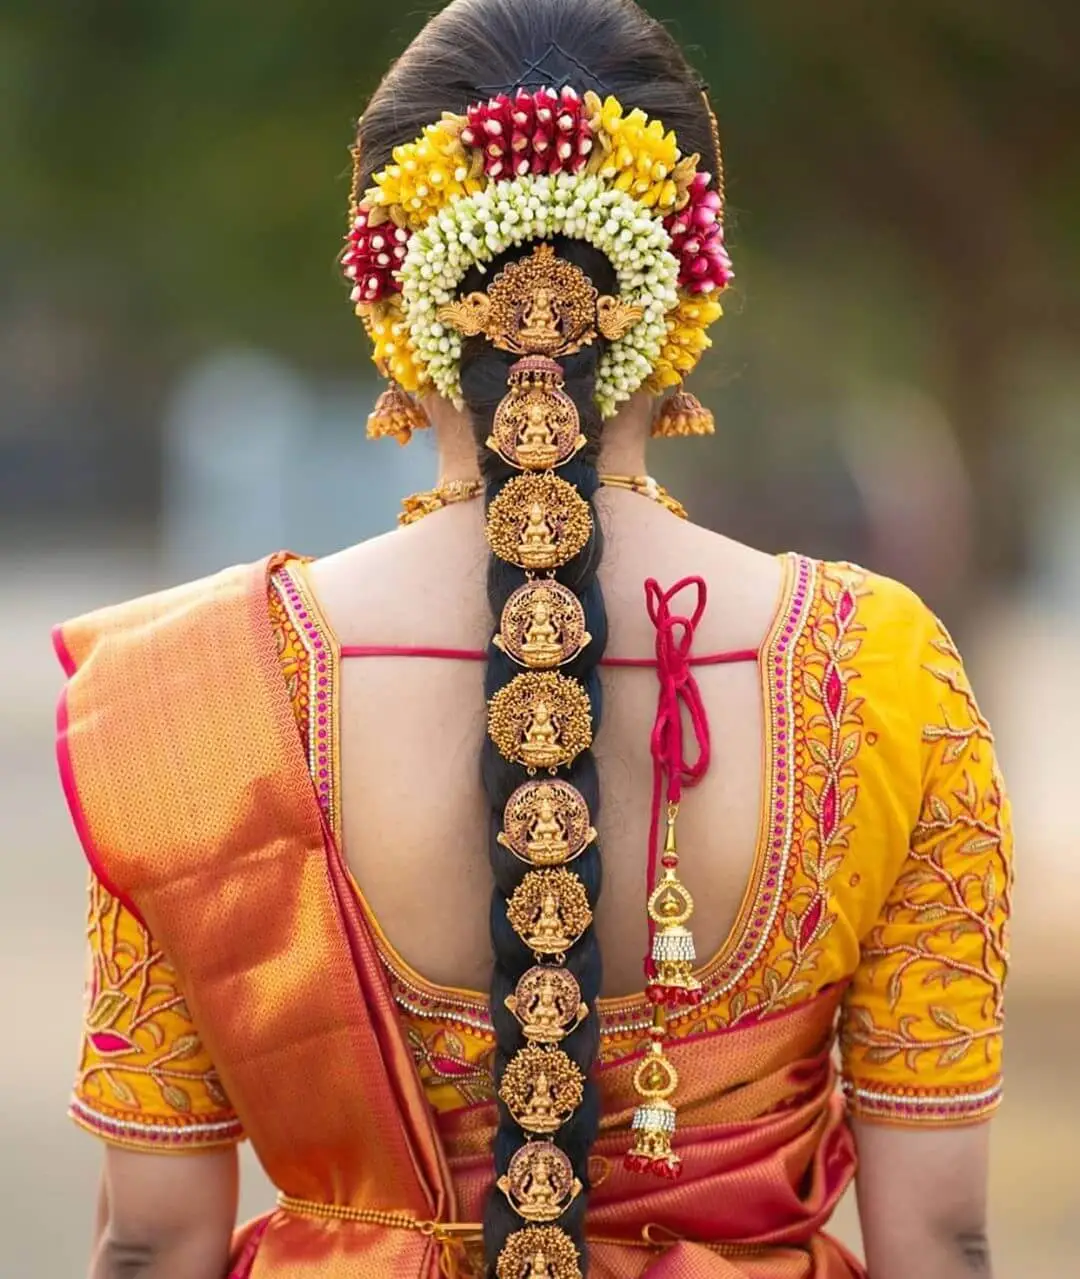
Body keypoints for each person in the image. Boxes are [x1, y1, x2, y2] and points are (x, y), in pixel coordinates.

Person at [53, 2, 1012, 1277]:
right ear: (688, 293)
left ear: (390, 292)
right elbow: (936, 1234)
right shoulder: (878, 666)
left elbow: (149, 1237)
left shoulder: (191, 699)